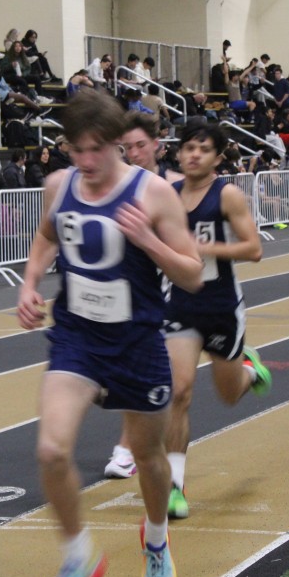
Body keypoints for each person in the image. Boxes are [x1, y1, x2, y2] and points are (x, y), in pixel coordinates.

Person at [16, 90, 203, 577]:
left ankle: (156, 539)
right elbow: (47, 235)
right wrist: (30, 283)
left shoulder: (152, 193)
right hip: (76, 339)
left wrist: (147, 240)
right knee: (51, 450)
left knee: (148, 458)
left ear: (118, 143)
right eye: (76, 150)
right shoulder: (59, 185)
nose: (86, 161)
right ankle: (80, 557)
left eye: (96, 149)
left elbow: (192, 274)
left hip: (137, 343)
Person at [162, 122, 270, 520]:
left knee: (228, 395)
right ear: (179, 152)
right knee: (178, 392)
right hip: (180, 305)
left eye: (203, 149)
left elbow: (254, 249)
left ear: (218, 158)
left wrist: (204, 247)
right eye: (189, 147)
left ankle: (249, 372)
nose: (194, 155)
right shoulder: (167, 195)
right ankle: (174, 486)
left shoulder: (226, 195)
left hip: (221, 306)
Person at [103, 113, 181, 480]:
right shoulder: (116, 187)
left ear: (157, 146)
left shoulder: (171, 187)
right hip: (130, 293)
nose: (133, 153)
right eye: (126, 147)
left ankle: (131, 449)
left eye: (139, 145)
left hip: (174, 288)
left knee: (170, 381)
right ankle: (139, 444)